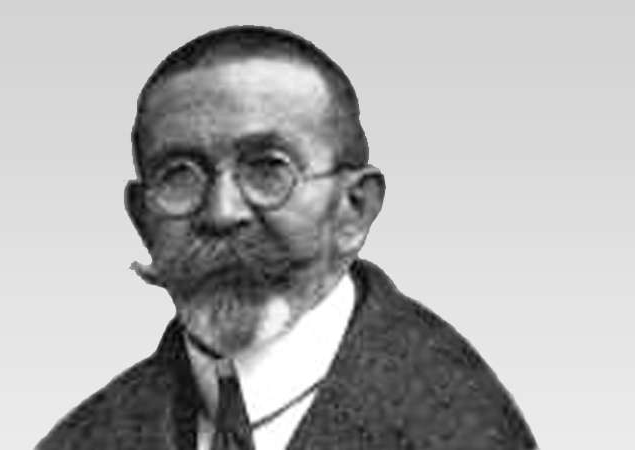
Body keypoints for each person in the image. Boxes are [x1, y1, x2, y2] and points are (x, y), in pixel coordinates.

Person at [38, 25, 537, 450]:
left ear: (354, 209)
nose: (222, 212)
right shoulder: (84, 438)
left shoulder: (462, 424)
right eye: (180, 175)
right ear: (141, 219)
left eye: (268, 169)